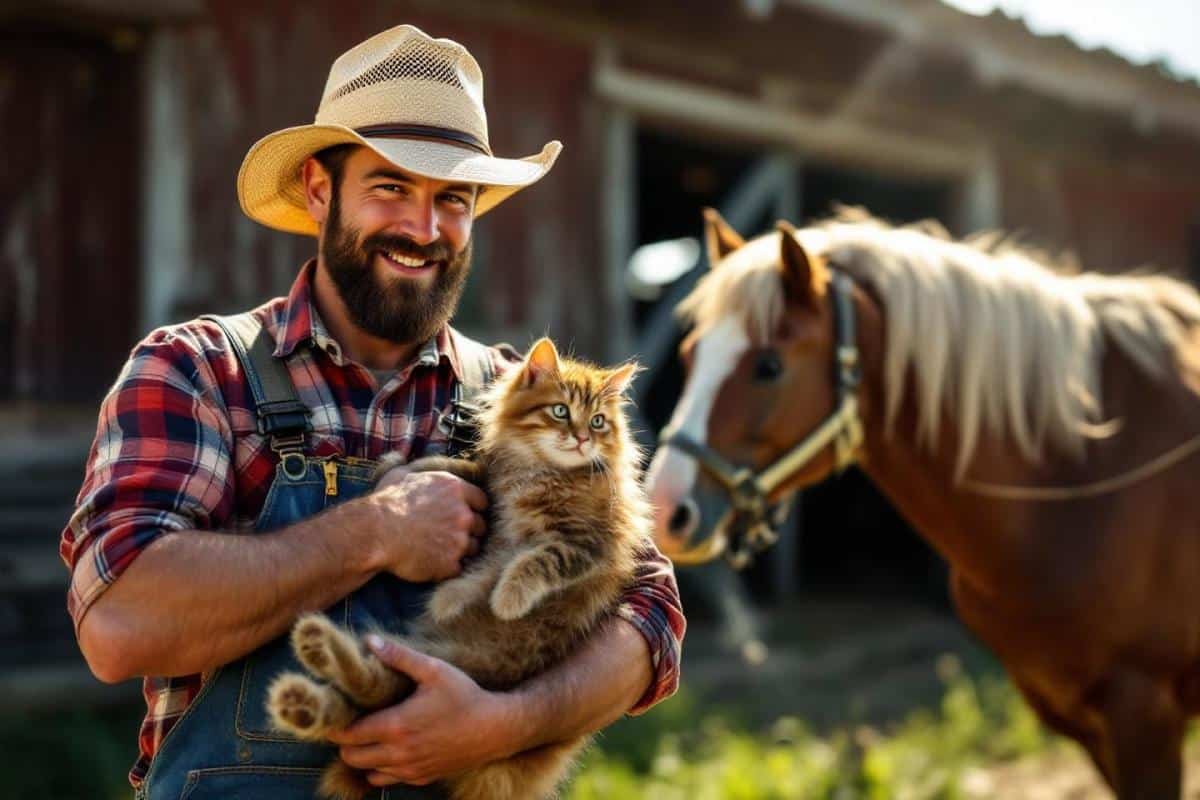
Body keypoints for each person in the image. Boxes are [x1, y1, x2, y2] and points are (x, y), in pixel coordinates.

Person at [60, 24, 684, 800]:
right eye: (391, 187)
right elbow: (119, 624)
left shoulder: (515, 398)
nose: (424, 231)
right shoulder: (197, 370)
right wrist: (375, 531)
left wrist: (506, 723)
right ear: (321, 190)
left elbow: (652, 621)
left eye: (451, 200)